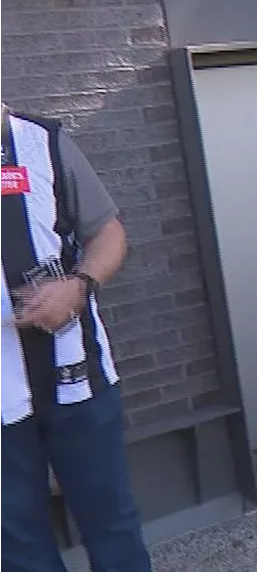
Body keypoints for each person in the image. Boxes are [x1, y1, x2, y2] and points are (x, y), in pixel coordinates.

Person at [0, 104, 149, 572]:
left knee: (111, 522)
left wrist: (79, 285)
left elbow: (107, 233)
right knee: (16, 541)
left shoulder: (43, 141)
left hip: (76, 376)